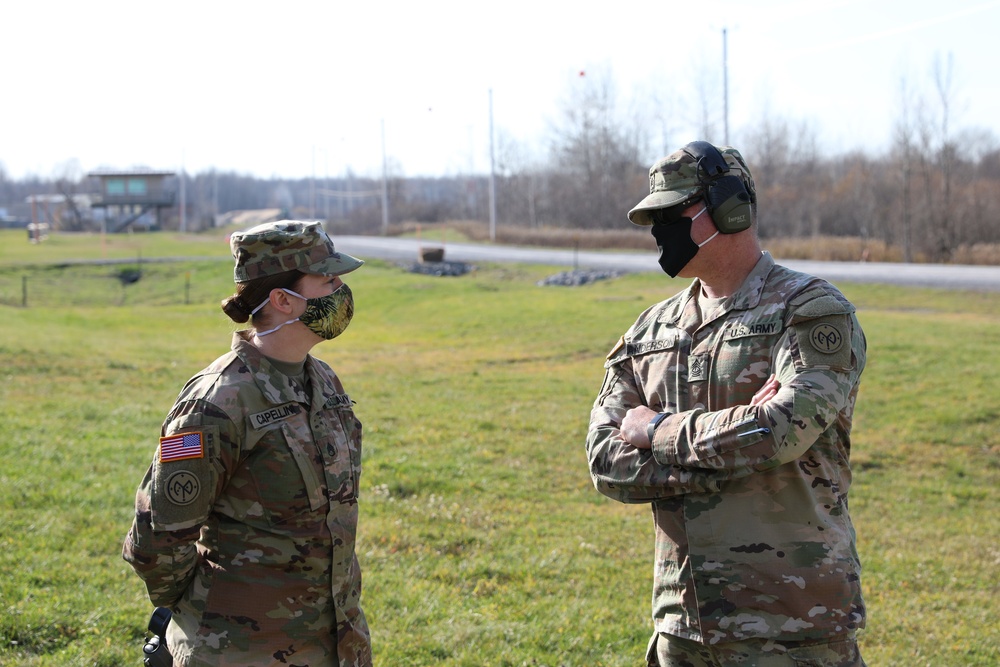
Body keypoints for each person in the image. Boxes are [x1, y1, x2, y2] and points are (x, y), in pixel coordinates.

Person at [586, 141, 867, 667]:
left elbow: (781, 430)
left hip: (794, 630)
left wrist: (659, 431)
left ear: (730, 206)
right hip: (684, 629)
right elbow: (604, 461)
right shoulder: (650, 331)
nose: (657, 231)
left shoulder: (808, 311)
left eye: (672, 214)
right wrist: (732, 452)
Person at [123, 220, 372, 666]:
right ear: (282, 299)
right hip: (240, 653)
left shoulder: (324, 380)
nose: (342, 291)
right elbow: (158, 540)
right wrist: (210, 614)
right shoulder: (216, 403)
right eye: (329, 280)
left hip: (336, 645)